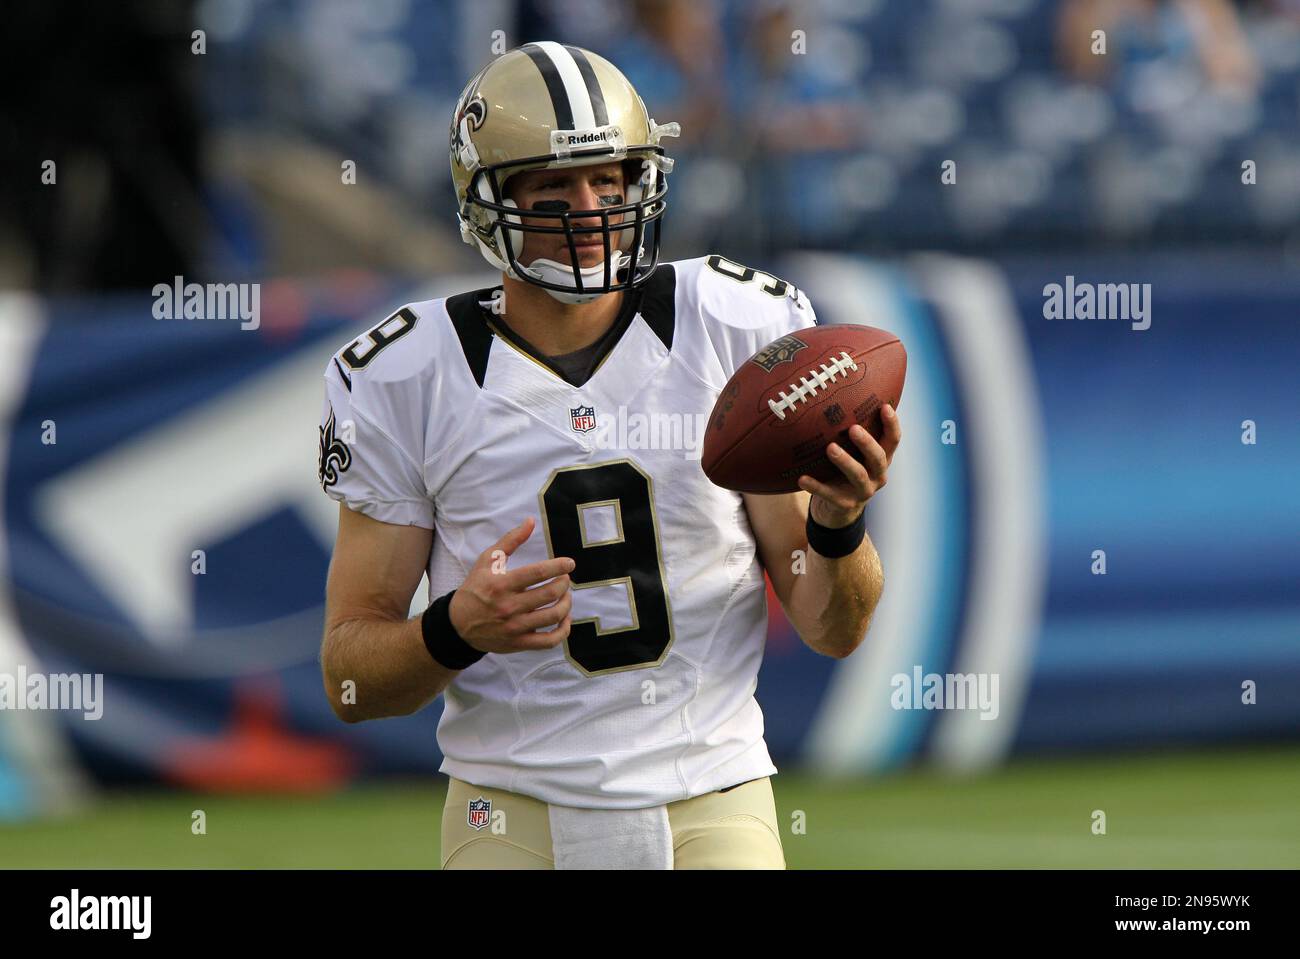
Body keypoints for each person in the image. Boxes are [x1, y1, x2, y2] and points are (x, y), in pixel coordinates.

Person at [316, 41, 901, 869]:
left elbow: (833, 627)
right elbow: (349, 678)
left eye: (610, 178)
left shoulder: (735, 324)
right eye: (553, 185)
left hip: (712, 791)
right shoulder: (405, 373)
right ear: (487, 202)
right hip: (507, 807)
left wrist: (840, 527)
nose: (589, 207)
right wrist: (455, 628)